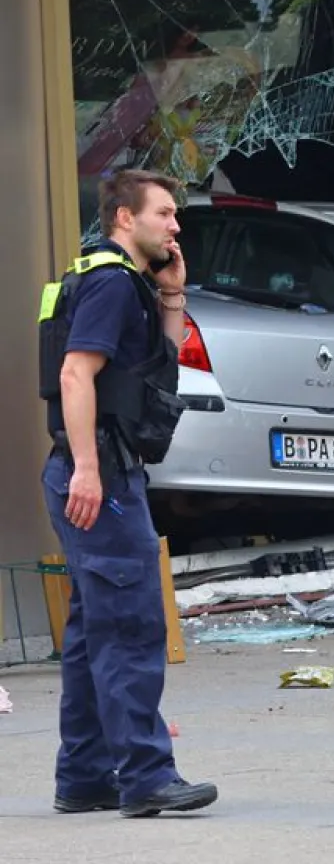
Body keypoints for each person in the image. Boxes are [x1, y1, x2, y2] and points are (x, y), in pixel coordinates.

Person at [38, 168, 218, 819]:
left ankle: (84, 774)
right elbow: (74, 373)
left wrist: (173, 298)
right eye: (165, 214)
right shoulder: (113, 284)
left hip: (96, 470)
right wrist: (88, 468)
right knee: (133, 627)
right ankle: (146, 776)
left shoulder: (117, 282)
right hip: (102, 477)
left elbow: (151, 377)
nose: (175, 227)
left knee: (94, 632)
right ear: (124, 218)